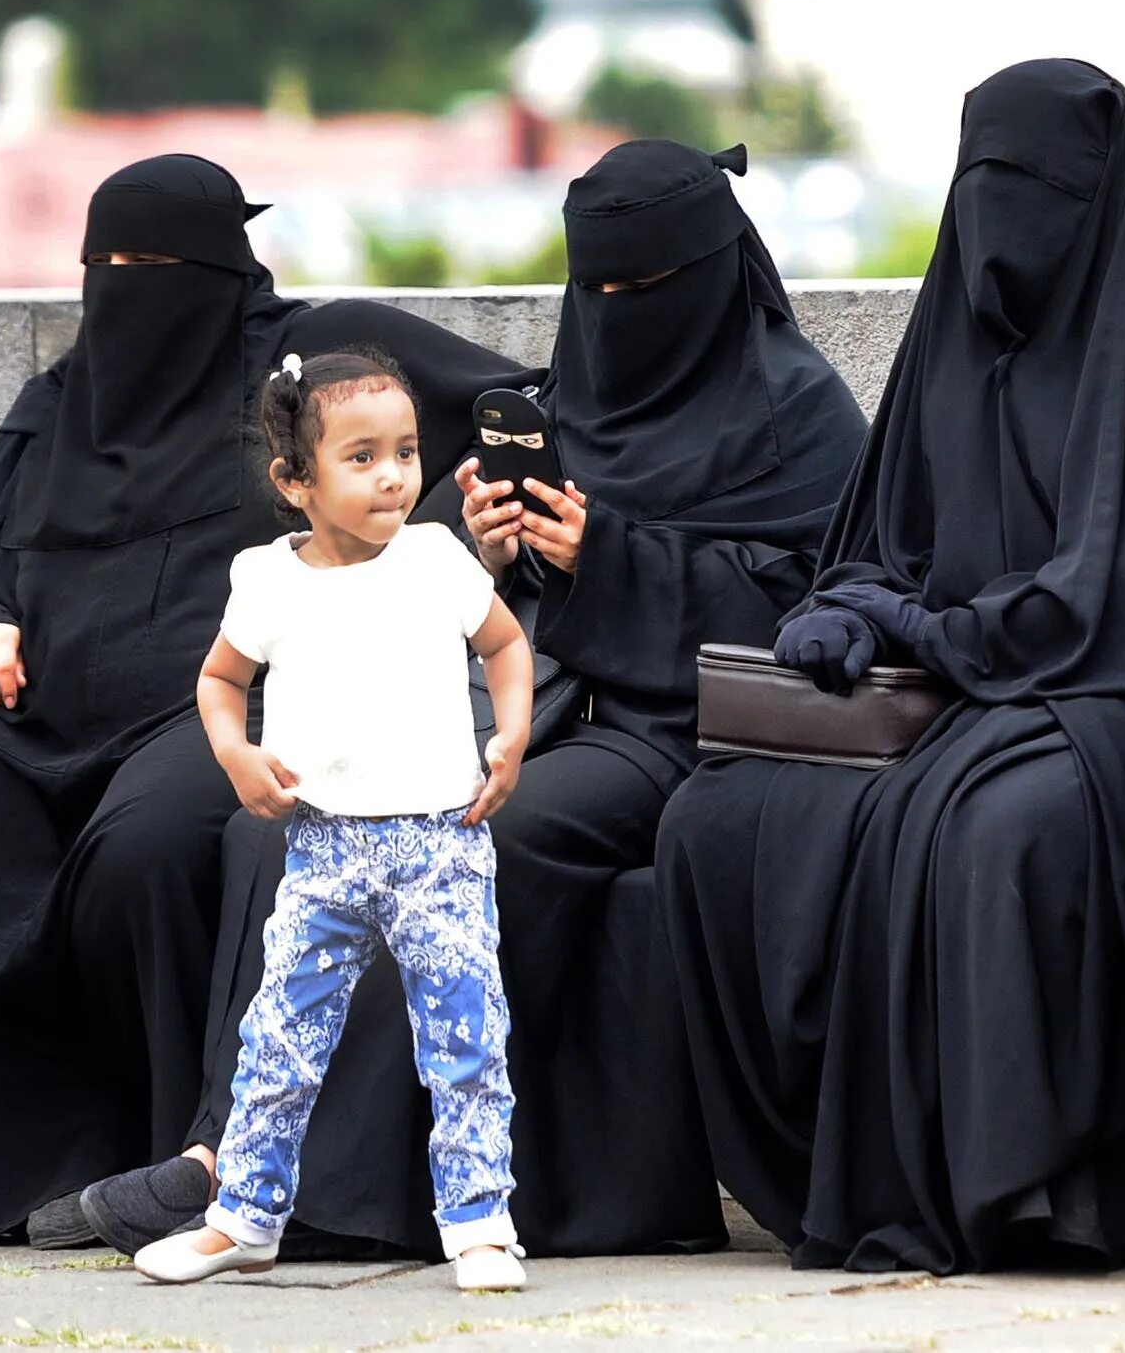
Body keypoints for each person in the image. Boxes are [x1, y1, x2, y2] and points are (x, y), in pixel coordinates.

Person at [84, 140, 867, 1258]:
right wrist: (501, 548)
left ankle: (317, 1194)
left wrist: (616, 556)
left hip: (677, 732)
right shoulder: (574, 386)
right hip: (535, 702)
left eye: (642, 291)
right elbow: (494, 607)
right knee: (296, 829)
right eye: (591, 289)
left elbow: (812, 607)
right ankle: (232, 1149)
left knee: (464, 839)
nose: (613, 315)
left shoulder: (797, 414)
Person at [0, 155, 537, 1249]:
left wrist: (483, 513)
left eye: (158, 265)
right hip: (24, 722)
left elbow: (519, 410)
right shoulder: (55, 403)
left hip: (215, 707)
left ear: (224, 268)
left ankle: (175, 1163)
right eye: (107, 265)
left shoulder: (302, 366)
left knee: (146, 848)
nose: (129, 288)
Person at [656, 59, 1125, 1275]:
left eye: (1033, 189)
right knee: (715, 815)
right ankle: (824, 1174)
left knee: (995, 832)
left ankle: (1036, 1192)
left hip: (1123, 707)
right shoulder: (957, 340)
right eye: (980, 186)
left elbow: (1108, 605)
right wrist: (847, 611)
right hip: (961, 694)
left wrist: (915, 621)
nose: (1003, 222)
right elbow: (881, 539)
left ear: (1102, 198)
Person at [133, 349, 533, 1291]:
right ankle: (245, 1216)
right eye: (361, 457)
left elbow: (507, 646)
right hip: (323, 847)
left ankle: (479, 1222)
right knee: (279, 1040)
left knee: (465, 1038)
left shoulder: (437, 561)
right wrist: (236, 755)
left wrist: (510, 734)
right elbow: (220, 681)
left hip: (440, 840)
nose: (393, 474)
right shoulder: (268, 583)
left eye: (405, 450)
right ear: (295, 481)